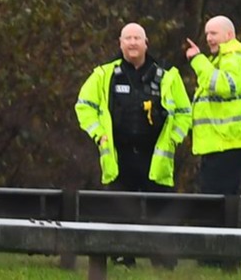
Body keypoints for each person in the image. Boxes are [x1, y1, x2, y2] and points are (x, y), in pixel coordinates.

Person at [75, 22, 192, 235]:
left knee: (161, 209)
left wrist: (174, 138)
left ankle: (163, 260)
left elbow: (185, 112)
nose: (132, 42)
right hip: (120, 155)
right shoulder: (104, 75)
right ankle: (122, 256)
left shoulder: (167, 76)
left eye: (137, 38)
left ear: (146, 43)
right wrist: (98, 134)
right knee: (120, 210)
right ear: (120, 44)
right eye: (127, 38)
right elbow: (84, 106)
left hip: (155, 155)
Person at [183, 15, 241, 198]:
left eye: (214, 33)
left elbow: (224, 86)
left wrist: (198, 60)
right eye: (207, 34)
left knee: (214, 199)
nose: (208, 38)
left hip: (228, 139)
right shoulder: (229, 59)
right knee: (225, 199)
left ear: (229, 35)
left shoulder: (233, 58)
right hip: (228, 139)